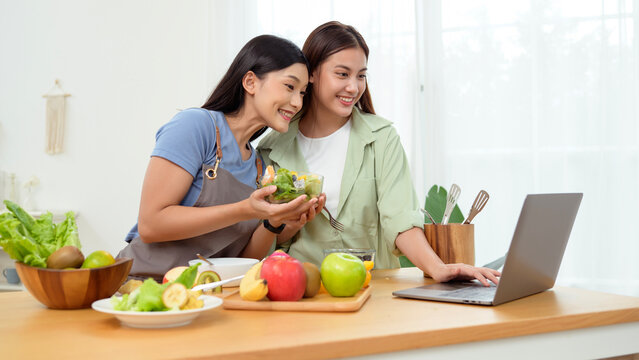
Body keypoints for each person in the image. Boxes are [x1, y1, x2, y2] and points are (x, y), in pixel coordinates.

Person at [258, 22, 500, 286]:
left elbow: (400, 220)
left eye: (361, 75)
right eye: (342, 74)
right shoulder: (272, 149)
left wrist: (438, 268)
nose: (353, 87)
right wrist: (289, 224)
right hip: (304, 293)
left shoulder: (382, 138)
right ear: (312, 74)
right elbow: (269, 237)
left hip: (375, 289)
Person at [118, 35, 323, 281]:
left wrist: (274, 221)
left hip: (205, 296)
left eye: (303, 93)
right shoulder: (195, 126)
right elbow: (151, 225)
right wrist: (245, 209)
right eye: (290, 87)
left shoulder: (260, 167)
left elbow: (246, 261)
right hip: (140, 287)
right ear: (250, 82)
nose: (297, 102)